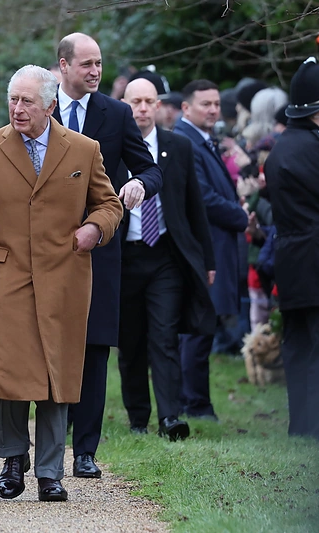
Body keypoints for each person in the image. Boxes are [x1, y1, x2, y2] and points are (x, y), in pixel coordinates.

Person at [0, 64, 123, 502]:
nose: (18, 108)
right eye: (13, 99)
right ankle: (13, 460)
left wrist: (95, 229)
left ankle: (50, 471)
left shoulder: (84, 150)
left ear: (51, 105)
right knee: (11, 371)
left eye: (28, 101)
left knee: (55, 373)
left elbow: (109, 204)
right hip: (2, 279)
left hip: (64, 277)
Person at [55, 32, 163, 479]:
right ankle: (47, 443)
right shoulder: (39, 107)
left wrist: (140, 184)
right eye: (87, 64)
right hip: (48, 248)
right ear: (63, 66)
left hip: (100, 248)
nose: (96, 71)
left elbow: (151, 167)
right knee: (53, 343)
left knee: (95, 346)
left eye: (99, 63)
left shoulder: (116, 114)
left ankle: (85, 450)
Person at [116, 78, 216, 439]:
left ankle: (170, 418)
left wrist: (207, 260)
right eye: (135, 101)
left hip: (166, 257)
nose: (143, 108)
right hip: (125, 256)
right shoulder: (111, 147)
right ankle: (138, 418)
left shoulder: (179, 147)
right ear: (123, 104)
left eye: (149, 101)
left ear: (158, 106)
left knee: (164, 336)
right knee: (131, 341)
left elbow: (194, 206)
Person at [174, 80, 248, 421]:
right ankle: (194, 405)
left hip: (215, 246)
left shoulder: (204, 140)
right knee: (197, 331)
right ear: (187, 108)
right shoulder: (186, 140)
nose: (214, 109)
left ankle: (195, 402)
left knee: (203, 329)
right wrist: (239, 214)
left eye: (217, 103)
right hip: (202, 249)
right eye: (206, 104)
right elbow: (202, 197)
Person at [264, 57, 319, 441]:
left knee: (300, 344)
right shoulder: (312, 149)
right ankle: (315, 428)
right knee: (316, 345)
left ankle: (301, 425)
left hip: (293, 258)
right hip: (316, 256)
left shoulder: (285, 145)